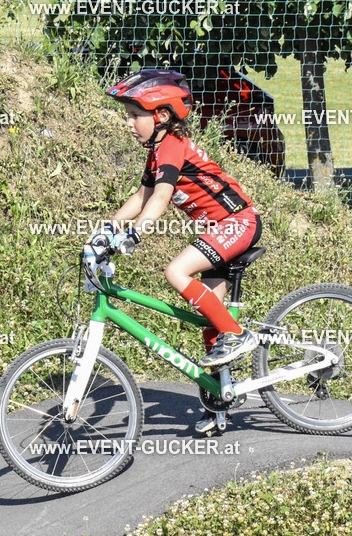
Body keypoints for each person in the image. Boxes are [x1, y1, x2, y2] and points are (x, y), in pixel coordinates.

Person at [97, 68, 263, 434]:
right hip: (220, 229)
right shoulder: (157, 152)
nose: (128, 123)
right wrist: (108, 229)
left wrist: (136, 234)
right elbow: (141, 196)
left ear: (162, 115)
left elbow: (160, 197)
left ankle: (238, 335)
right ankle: (220, 400)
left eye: (134, 115)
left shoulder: (172, 145)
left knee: (176, 272)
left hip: (237, 222)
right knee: (209, 319)